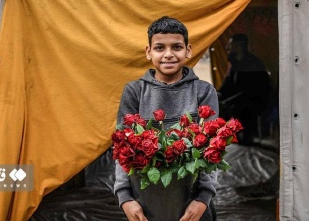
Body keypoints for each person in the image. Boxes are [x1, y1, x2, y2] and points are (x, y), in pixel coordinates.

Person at [114, 16, 219, 221]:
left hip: (191, 202)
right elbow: (121, 147)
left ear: (188, 50)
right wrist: (125, 197)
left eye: (176, 47)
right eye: (160, 48)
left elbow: (213, 149)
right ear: (148, 52)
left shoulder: (203, 92)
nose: (168, 54)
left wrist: (203, 198)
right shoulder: (134, 92)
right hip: (144, 203)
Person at [218, 34, 270, 146]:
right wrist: (218, 93)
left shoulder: (253, 64)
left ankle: (243, 136)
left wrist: (227, 101)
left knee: (235, 107)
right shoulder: (234, 62)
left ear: (239, 46)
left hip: (254, 100)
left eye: (230, 45)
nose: (227, 47)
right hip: (239, 97)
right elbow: (228, 83)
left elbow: (250, 91)